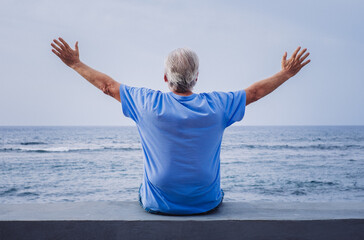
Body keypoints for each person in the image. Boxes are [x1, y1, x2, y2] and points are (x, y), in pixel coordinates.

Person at [51, 37, 310, 215]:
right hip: (206, 204)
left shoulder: (146, 103)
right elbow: (253, 93)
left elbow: (107, 87)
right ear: (197, 78)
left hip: (158, 206)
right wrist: (286, 73)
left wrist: (75, 63)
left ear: (165, 77)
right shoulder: (217, 105)